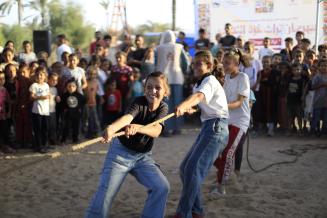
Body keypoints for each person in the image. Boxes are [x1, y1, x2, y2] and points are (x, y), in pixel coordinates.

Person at [86, 72, 171, 218]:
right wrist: (112, 128)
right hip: (120, 154)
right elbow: (127, 118)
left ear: (165, 91)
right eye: (149, 87)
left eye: (158, 88)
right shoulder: (138, 102)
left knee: (161, 187)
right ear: (144, 89)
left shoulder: (163, 108)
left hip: (143, 157)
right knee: (105, 194)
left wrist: (138, 127)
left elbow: (156, 131)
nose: (153, 91)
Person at [173, 50, 229, 218]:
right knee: (185, 169)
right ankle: (196, 211)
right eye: (194, 63)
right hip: (208, 127)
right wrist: (192, 108)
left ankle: (184, 214)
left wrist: (184, 105)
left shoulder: (209, 80)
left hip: (216, 127)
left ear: (209, 66)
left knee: (192, 169)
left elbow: (198, 96)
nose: (195, 66)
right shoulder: (199, 83)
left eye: (199, 64)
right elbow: (201, 101)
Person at [212, 51, 250, 196]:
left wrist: (221, 106)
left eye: (227, 63)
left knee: (228, 154)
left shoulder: (243, 77)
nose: (224, 65)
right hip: (226, 119)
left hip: (240, 122)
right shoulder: (227, 77)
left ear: (236, 64)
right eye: (223, 62)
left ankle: (221, 187)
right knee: (212, 151)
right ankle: (225, 174)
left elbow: (239, 102)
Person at [155, 30, 189, 136]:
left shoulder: (159, 48)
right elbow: (185, 62)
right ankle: (177, 128)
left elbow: (155, 62)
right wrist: (184, 72)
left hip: (163, 79)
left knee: (165, 104)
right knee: (178, 102)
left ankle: (165, 129)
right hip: (177, 78)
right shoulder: (179, 47)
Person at [29, 66, 50, 153]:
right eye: (38, 74)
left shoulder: (46, 85)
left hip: (45, 111)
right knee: (37, 129)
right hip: (37, 111)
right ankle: (38, 146)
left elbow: (48, 96)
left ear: (45, 76)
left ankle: (45, 144)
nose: (40, 76)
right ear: (35, 76)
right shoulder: (34, 85)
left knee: (45, 129)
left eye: (41, 74)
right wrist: (41, 97)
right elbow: (31, 97)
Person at [60, 78, 85, 144]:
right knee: (66, 127)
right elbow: (62, 104)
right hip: (67, 115)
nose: (71, 88)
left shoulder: (80, 96)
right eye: (69, 86)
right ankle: (63, 139)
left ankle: (75, 139)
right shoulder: (64, 95)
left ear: (76, 87)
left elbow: (83, 104)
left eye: (73, 86)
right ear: (66, 87)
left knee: (76, 127)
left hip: (76, 115)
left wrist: (80, 111)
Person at [15, 64, 33, 148]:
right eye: (20, 72)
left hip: (28, 106)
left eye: (24, 72)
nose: (22, 74)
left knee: (28, 124)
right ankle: (19, 141)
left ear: (29, 72)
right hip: (18, 106)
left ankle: (28, 140)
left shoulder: (30, 82)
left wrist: (26, 103)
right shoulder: (17, 82)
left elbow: (32, 95)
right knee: (19, 124)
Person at [286, 63, 305, 135]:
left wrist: (303, 100)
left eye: (298, 69)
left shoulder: (302, 80)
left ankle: (300, 130)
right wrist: (286, 98)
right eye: (294, 70)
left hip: (298, 102)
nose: (296, 71)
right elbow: (287, 90)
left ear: (301, 70)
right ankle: (290, 130)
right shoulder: (290, 79)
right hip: (290, 102)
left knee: (299, 117)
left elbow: (303, 90)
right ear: (292, 71)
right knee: (290, 117)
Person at [310, 59, 327, 136]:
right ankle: (313, 130)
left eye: (325, 66)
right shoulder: (317, 76)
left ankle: (324, 131)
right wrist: (322, 85)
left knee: (325, 118)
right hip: (318, 100)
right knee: (316, 117)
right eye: (322, 66)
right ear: (318, 67)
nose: (324, 67)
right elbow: (312, 87)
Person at [0, 71, 15, 153]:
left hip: (3, 115)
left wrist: (9, 112)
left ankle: (5, 146)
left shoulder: (4, 90)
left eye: (3, 78)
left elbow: (9, 102)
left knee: (4, 131)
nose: (1, 80)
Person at [85, 66, 101, 138]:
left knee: (95, 118)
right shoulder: (85, 82)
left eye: (93, 74)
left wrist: (101, 98)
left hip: (93, 103)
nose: (92, 75)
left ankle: (97, 132)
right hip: (86, 103)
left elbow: (99, 92)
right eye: (90, 74)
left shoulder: (96, 82)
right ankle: (89, 133)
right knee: (88, 119)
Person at [48, 73, 61, 145]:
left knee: (53, 126)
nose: (54, 81)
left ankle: (52, 140)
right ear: (48, 79)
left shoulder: (55, 89)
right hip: (46, 111)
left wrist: (57, 98)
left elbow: (56, 99)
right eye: (52, 80)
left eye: (56, 80)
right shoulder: (46, 87)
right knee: (47, 126)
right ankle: (47, 140)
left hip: (53, 110)